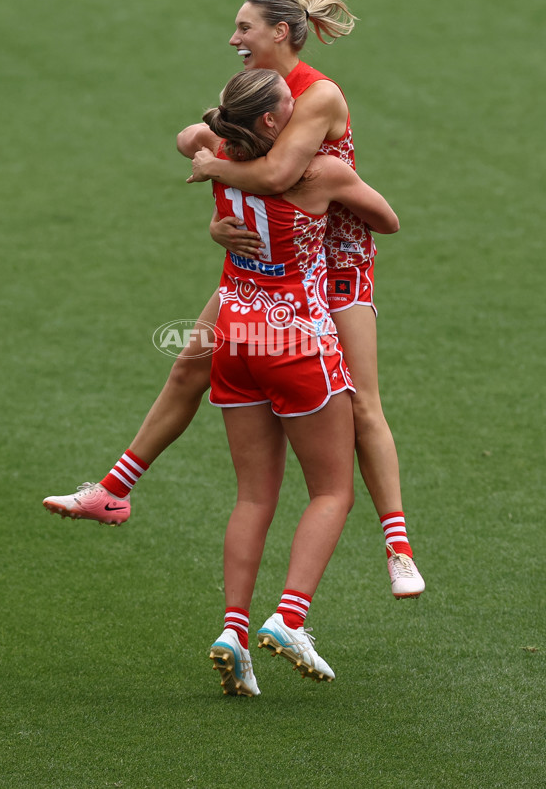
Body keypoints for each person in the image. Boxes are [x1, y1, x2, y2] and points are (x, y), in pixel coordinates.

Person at [42, 0, 424, 600]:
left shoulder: (314, 94)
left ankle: (398, 546)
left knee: (362, 402)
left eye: (244, 27)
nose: (233, 39)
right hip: (271, 266)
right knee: (190, 365)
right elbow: (197, 135)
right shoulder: (255, 95)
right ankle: (112, 491)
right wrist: (214, 204)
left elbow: (276, 177)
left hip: (334, 265)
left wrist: (212, 171)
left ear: (281, 32)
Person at [187, 68, 399, 695]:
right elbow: (386, 221)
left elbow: (191, 139)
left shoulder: (220, 156)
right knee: (332, 491)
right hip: (299, 343)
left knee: (253, 497)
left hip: (235, 338)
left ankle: (233, 630)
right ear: (277, 124)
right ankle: (290, 617)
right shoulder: (320, 174)